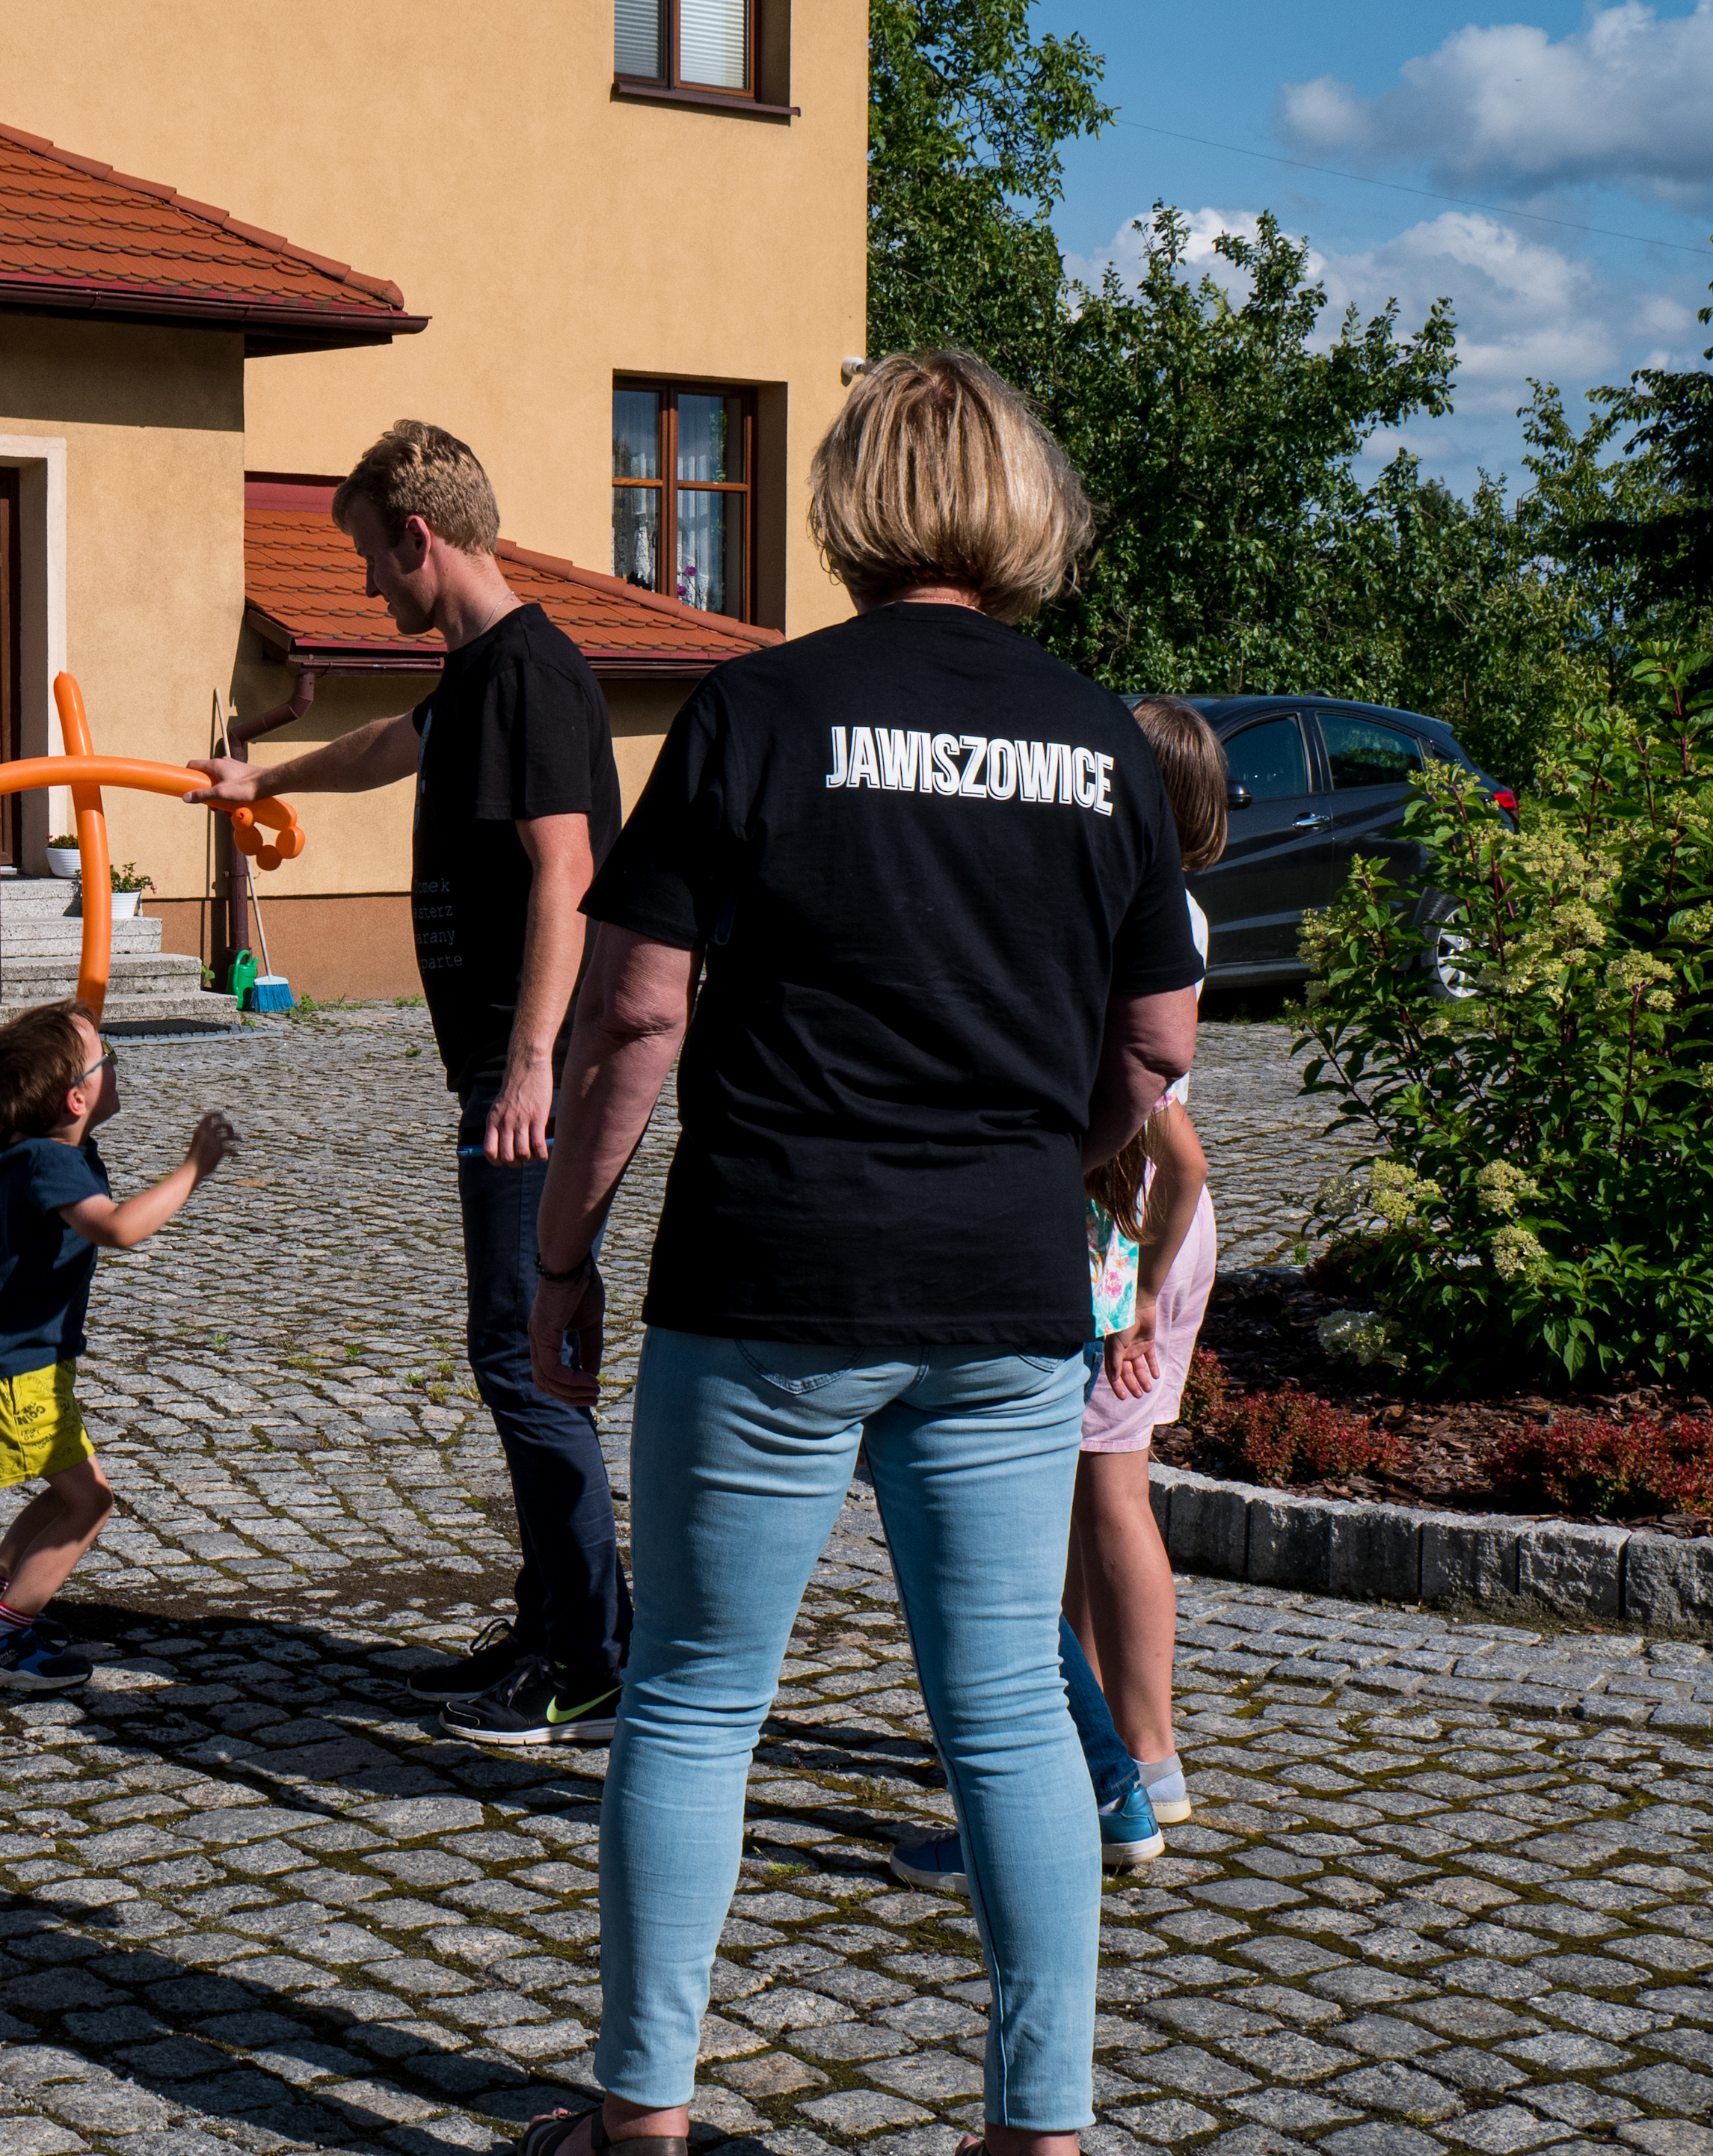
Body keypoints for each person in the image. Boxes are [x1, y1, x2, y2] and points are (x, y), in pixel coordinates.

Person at [520, 350, 1202, 2156]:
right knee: (997, 1705)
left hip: (769, 1268)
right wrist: (1022, 1161)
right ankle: (1035, 2123)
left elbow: (637, 1016)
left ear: (845, 497)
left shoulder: (755, 713)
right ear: (1016, 504)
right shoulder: (1101, 743)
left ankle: (643, 2119)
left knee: (692, 1687)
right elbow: (1156, 1044)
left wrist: (561, 1248)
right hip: (1000, 1285)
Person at [187, 419, 633, 1746]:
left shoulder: (535, 676)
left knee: (522, 1352)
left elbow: (567, 870)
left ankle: (590, 1655)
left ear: (419, 538)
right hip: (509, 1069)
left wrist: (529, 1066)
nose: (372, 587)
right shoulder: (483, 676)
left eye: (375, 561)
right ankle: (557, 1614)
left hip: (532, 1077)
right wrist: (267, 772)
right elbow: (396, 740)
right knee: (513, 1348)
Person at [0, 1000, 239, 1691]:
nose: (115, 1065)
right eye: (108, 1059)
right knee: (88, 1503)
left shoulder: (2, 1141)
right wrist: (193, 1167)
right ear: (76, 1097)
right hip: (19, 1364)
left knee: (68, 1485)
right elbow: (121, 1228)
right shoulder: (49, 1162)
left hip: (14, 1356)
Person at [1068, 694, 1227, 1822]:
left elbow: (1179, 1153)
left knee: (1115, 1495)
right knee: (1093, 1494)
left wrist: (1137, 1300)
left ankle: (1149, 1754)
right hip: (1139, 1228)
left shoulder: (1142, 912)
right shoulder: (1178, 906)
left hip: (1135, 1233)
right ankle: (1074, 1732)